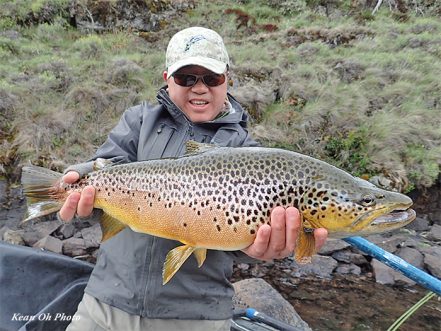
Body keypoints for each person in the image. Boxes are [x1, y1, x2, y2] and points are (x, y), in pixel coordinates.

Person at [61, 26, 328, 331]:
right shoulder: (139, 121)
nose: (199, 88)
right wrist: (79, 179)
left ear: (227, 78)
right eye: (186, 78)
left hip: (194, 317)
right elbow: (105, 166)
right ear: (167, 79)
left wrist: (258, 250)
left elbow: (247, 236)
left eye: (211, 78)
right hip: (104, 305)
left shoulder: (247, 153)